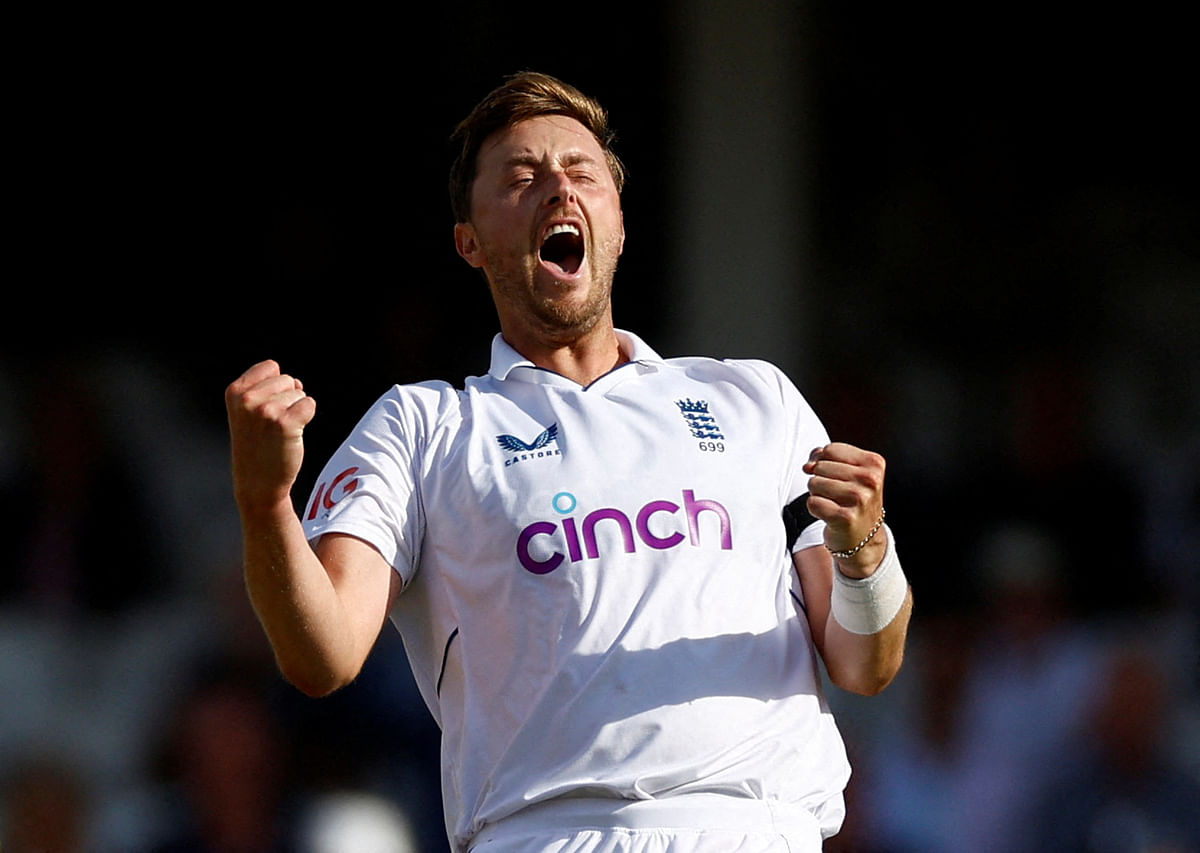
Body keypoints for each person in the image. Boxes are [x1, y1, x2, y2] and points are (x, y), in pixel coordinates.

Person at [225, 71, 913, 852]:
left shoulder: (754, 398)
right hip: (548, 833)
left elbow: (866, 663)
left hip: (759, 827)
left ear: (617, 222)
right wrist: (265, 501)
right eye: (521, 179)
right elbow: (323, 654)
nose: (558, 188)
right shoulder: (423, 425)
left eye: (582, 173)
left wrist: (865, 550)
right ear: (470, 242)